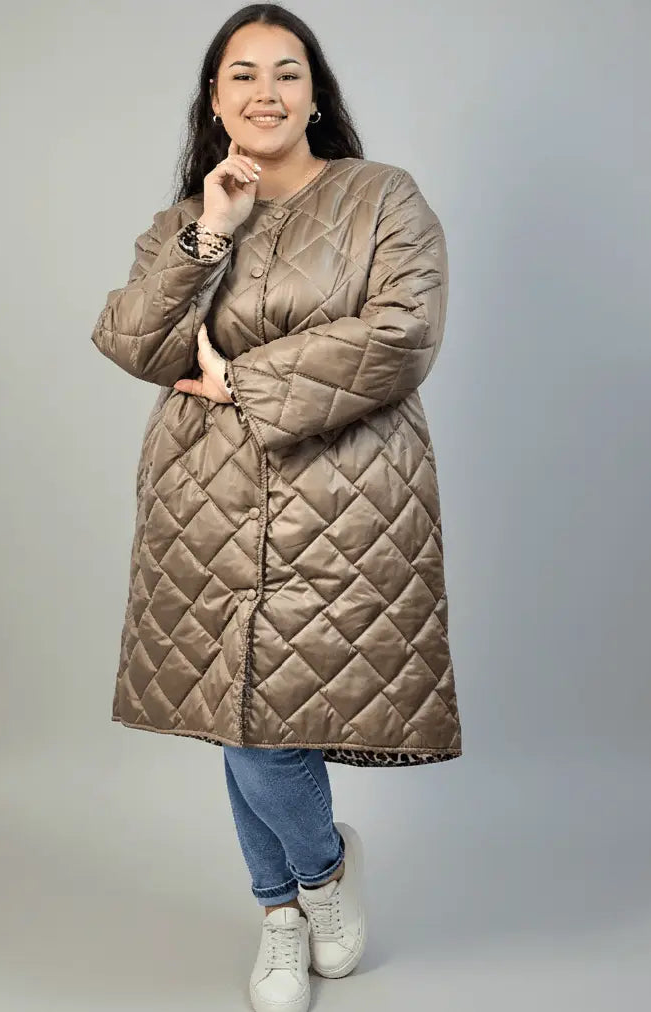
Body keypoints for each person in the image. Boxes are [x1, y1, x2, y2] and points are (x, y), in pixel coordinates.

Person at [90, 4, 463, 1009]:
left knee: (268, 718)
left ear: (315, 94)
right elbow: (132, 342)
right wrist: (209, 233)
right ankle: (291, 905)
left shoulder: (381, 196)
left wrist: (242, 381)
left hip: (345, 492)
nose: (266, 92)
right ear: (214, 102)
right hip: (204, 495)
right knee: (239, 713)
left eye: (287, 72)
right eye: (243, 75)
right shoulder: (184, 220)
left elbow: (404, 331)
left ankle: (312, 879)